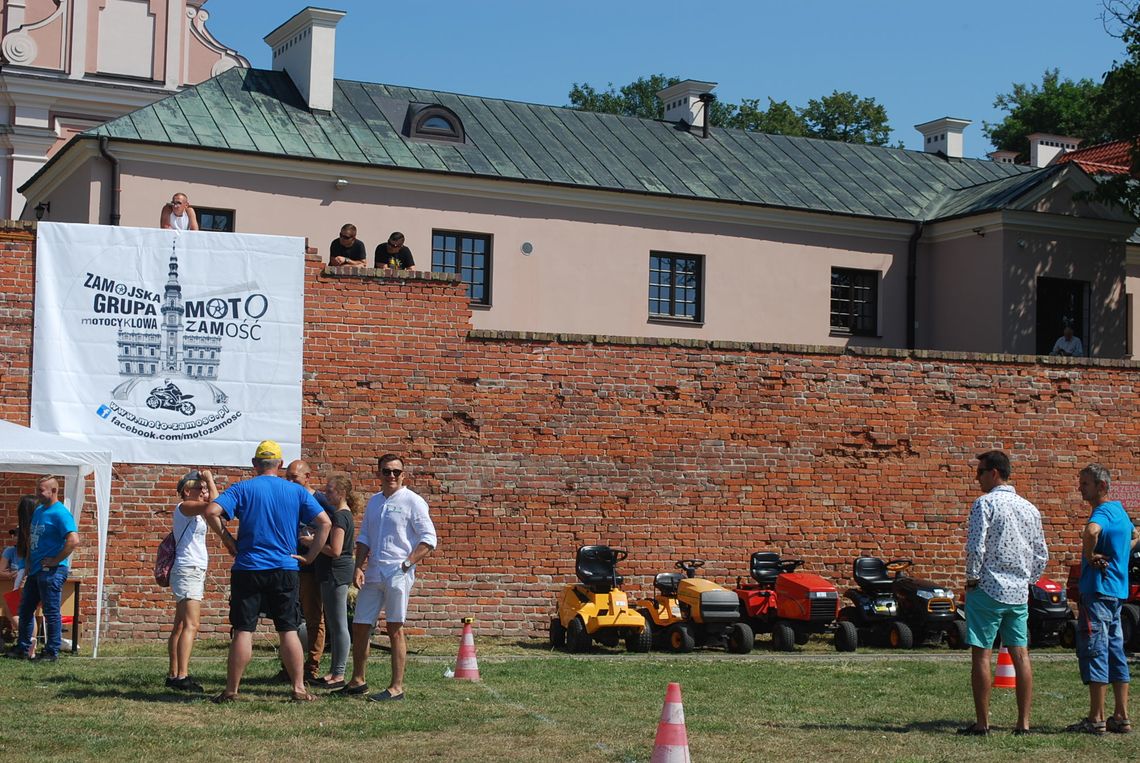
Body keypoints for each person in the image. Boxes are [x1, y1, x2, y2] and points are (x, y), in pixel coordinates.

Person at [196, 441, 331, 703]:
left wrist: (228, 541)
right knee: (288, 629)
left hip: (248, 567)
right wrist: (310, 556)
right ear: (280, 465)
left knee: (244, 629)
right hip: (284, 566)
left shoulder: (243, 488)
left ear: (255, 464)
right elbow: (324, 522)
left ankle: (232, 690)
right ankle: (298, 688)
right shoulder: (295, 491)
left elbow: (211, 510)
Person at [959, 450, 1048, 736]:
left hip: (987, 588)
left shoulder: (984, 504)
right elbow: (1041, 555)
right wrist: (1027, 580)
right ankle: (1023, 723)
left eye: (980, 471)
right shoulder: (1030, 508)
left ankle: (983, 723)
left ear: (994, 472)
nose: (977, 477)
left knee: (982, 654)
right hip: (1018, 592)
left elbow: (976, 546)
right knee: (1020, 655)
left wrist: (972, 578)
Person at [335, 454, 436, 702]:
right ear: (378, 473)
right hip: (373, 572)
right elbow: (365, 537)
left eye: (396, 472)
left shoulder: (413, 501)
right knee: (360, 625)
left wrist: (407, 563)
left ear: (403, 475)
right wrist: (358, 567)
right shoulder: (375, 502)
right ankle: (358, 680)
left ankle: (396, 687)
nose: (391, 476)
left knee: (394, 627)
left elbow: (429, 539)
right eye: (386, 471)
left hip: (397, 572)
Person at [1068, 464, 1136, 734]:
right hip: (1117, 594)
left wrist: (1089, 556)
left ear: (1102, 487)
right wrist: (1120, 555)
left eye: (1085, 483)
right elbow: (1135, 535)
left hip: (1097, 593)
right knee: (1116, 652)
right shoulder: (1120, 511)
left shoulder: (1103, 511)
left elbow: (1091, 532)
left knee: (1095, 650)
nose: (1080, 488)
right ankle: (1121, 716)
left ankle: (1096, 718)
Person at [6, 477, 80, 662]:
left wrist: (56, 561)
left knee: (51, 611)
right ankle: (23, 647)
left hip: (53, 572)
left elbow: (73, 540)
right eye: (38, 490)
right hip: (36, 569)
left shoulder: (60, 513)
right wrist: (29, 563)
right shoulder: (39, 510)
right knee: (25, 609)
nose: (38, 494)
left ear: (54, 491)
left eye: (41, 490)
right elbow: (33, 539)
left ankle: (51, 651)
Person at [165, 469, 224, 693]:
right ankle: (182, 676)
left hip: (191, 568)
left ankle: (174, 673)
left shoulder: (195, 512)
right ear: (187, 490)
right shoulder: (185, 507)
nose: (205, 492)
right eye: (200, 488)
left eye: (205, 489)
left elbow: (216, 507)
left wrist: (208, 483)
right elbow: (217, 505)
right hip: (189, 569)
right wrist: (209, 478)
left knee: (180, 625)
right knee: (192, 624)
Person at [312, 474, 360, 689]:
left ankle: (339, 673)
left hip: (336, 573)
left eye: (330, 490)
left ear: (341, 493)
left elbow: (336, 550)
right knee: (333, 622)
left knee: (339, 624)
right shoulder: (342, 514)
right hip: (333, 573)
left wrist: (313, 542)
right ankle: (333, 671)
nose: (326, 493)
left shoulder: (340, 516)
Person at [284, 459, 327, 682]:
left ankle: (312, 666)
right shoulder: (287, 497)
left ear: (307, 477)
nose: (290, 481)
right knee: (288, 617)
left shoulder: (319, 500)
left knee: (313, 617)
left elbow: (330, 528)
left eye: (295, 478)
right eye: (287, 477)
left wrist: (312, 546)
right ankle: (289, 665)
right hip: (289, 563)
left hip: (311, 566)